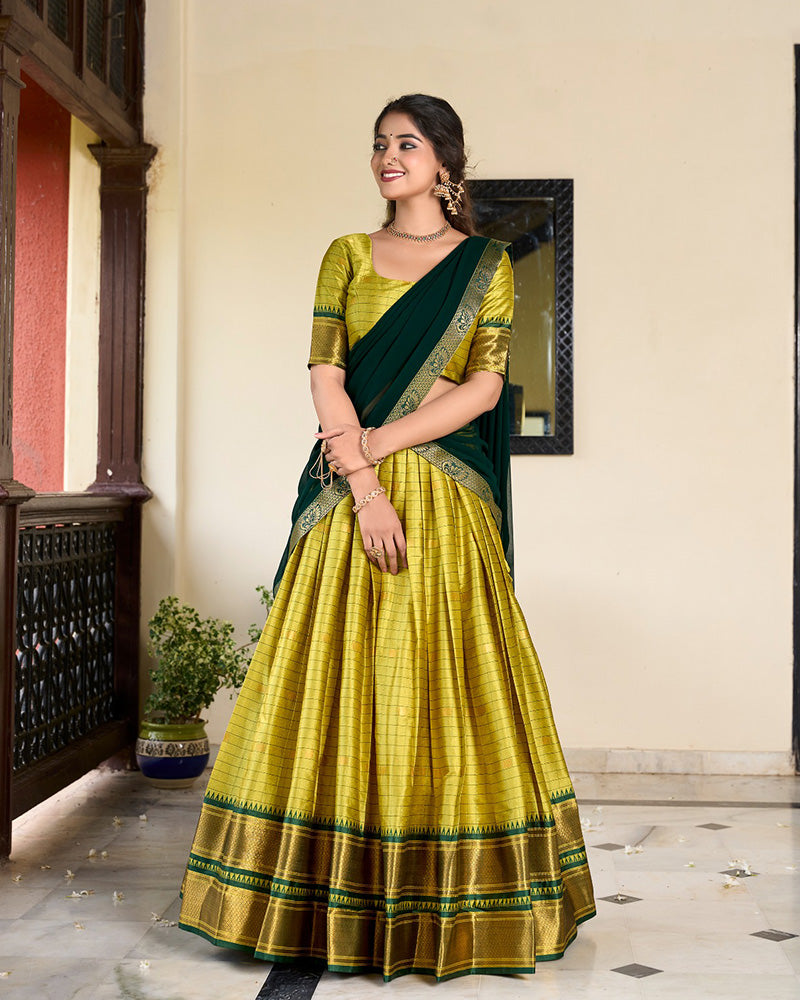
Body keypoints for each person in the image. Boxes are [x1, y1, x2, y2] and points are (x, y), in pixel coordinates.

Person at [178, 93, 595, 982]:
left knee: (448, 683)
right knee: (326, 680)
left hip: (442, 492)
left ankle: (451, 901)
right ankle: (321, 894)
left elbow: (483, 389)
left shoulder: (486, 263)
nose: (387, 157)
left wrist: (374, 445)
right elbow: (326, 372)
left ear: (445, 161)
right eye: (378, 145)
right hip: (350, 495)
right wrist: (363, 484)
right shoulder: (345, 253)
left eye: (406, 143)